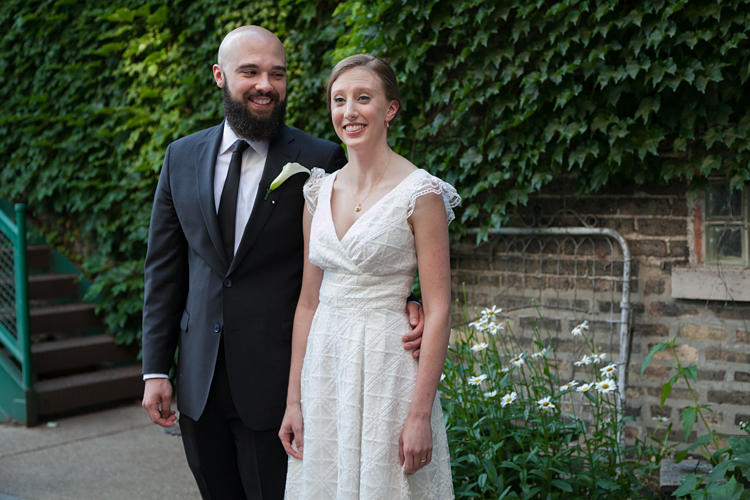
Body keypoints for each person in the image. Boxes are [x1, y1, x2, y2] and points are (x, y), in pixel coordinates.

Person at [140, 27, 425, 500]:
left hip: (279, 385)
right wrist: (155, 369)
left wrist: (405, 298)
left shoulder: (319, 158)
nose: (264, 84)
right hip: (198, 383)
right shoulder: (180, 157)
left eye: (277, 73)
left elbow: (354, 244)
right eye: (249, 71)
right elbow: (164, 270)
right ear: (219, 76)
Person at [279, 54, 457, 499]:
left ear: (390, 108)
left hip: (387, 368)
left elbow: (438, 310)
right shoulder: (316, 192)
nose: (349, 111)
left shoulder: (422, 193)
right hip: (325, 369)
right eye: (339, 100)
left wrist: (418, 414)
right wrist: (293, 400)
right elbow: (307, 302)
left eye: (363, 98)